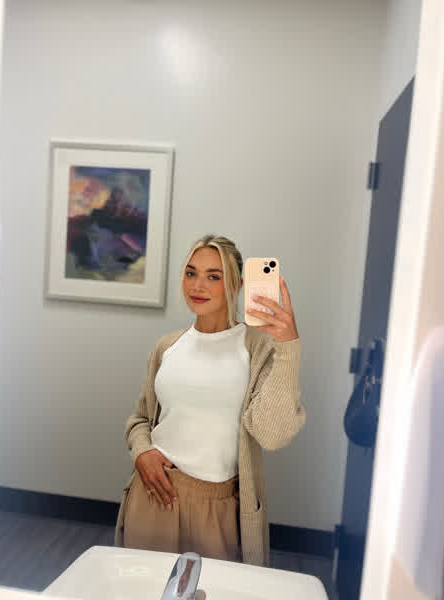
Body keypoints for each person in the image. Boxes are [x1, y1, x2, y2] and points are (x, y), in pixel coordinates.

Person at [114, 234, 306, 567]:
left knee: (217, 589)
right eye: (191, 273)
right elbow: (141, 418)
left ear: (238, 284)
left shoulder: (258, 348)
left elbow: (272, 435)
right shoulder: (167, 346)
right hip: (154, 495)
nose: (198, 285)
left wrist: (288, 347)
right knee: (142, 587)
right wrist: (142, 451)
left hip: (218, 508)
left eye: (213, 276)